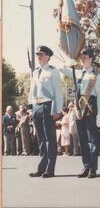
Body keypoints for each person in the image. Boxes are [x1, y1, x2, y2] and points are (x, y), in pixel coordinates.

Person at [59, 48, 100, 178]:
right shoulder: (77, 72)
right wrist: (69, 62)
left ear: (91, 58)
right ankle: (86, 166)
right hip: (79, 107)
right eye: (81, 58)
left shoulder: (96, 75)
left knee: (92, 138)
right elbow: (61, 68)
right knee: (82, 138)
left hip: (91, 105)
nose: (83, 59)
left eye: (85, 57)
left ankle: (93, 168)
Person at [28, 45, 63, 178]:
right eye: (37, 55)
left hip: (48, 106)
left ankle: (50, 169)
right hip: (37, 106)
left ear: (47, 56)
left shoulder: (53, 71)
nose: (38, 57)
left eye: (41, 54)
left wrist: (58, 109)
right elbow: (32, 91)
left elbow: (58, 91)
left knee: (50, 139)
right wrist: (31, 108)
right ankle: (41, 168)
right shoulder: (36, 72)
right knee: (41, 139)